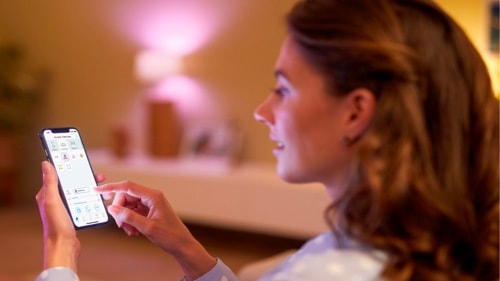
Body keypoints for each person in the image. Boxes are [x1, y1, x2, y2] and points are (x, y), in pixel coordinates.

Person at [35, 0, 499, 280]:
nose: (261, 111)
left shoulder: (327, 271)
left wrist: (61, 249)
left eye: (283, 89)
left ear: (356, 111)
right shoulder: (422, 245)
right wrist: (188, 251)